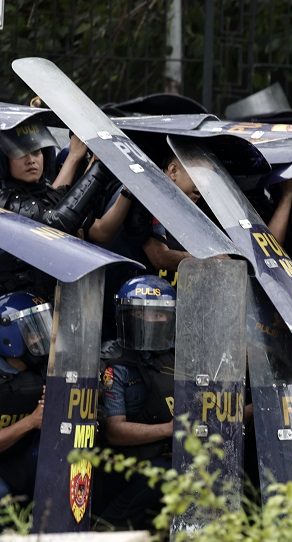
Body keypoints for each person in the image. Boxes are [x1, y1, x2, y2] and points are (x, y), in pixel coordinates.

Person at [95, 275, 176, 529]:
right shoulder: (114, 364)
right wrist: (169, 430)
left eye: (160, 314)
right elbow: (115, 432)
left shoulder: (179, 356)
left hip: (177, 454)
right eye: (145, 313)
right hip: (128, 462)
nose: (153, 321)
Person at [0, 120, 113, 296]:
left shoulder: (42, 192)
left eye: (36, 152)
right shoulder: (6, 199)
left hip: (49, 304)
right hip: (13, 308)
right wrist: (101, 169)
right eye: (20, 153)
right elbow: (56, 224)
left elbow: (72, 207)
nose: (31, 160)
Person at [0, 292, 51, 501]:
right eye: (32, 331)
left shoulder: (44, 369)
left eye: (42, 327)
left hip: (20, 460)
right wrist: (31, 421)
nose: (42, 337)